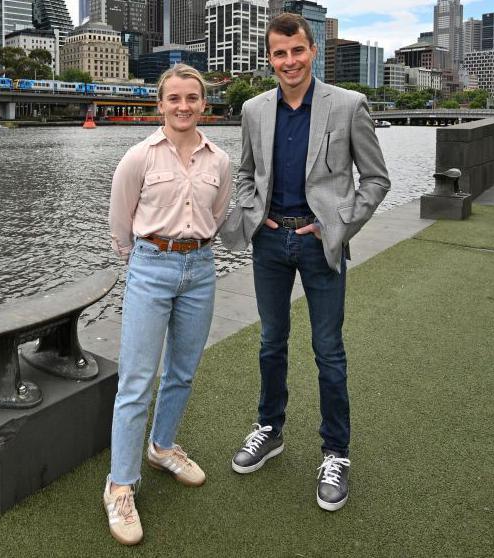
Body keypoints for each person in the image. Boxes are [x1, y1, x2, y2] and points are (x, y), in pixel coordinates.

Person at [219, 13, 390, 512]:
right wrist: (255, 216)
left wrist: (338, 223)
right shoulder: (253, 110)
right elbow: (247, 174)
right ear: (269, 58)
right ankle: (269, 430)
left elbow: (376, 180)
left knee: (328, 351)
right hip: (271, 241)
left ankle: (335, 452)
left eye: (297, 51)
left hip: (321, 244)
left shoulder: (349, 106)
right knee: (271, 343)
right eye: (279, 54)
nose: (289, 62)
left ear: (312, 50)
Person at [105, 63, 232, 545]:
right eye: (174, 98)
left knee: (183, 370)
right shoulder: (138, 158)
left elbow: (216, 216)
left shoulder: (219, 160)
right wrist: (144, 257)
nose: (183, 107)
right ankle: (120, 483)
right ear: (160, 104)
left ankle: (161, 448)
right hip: (151, 266)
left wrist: (191, 251)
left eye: (192, 98)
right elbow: (121, 221)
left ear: (204, 105)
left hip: (200, 269)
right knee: (137, 380)